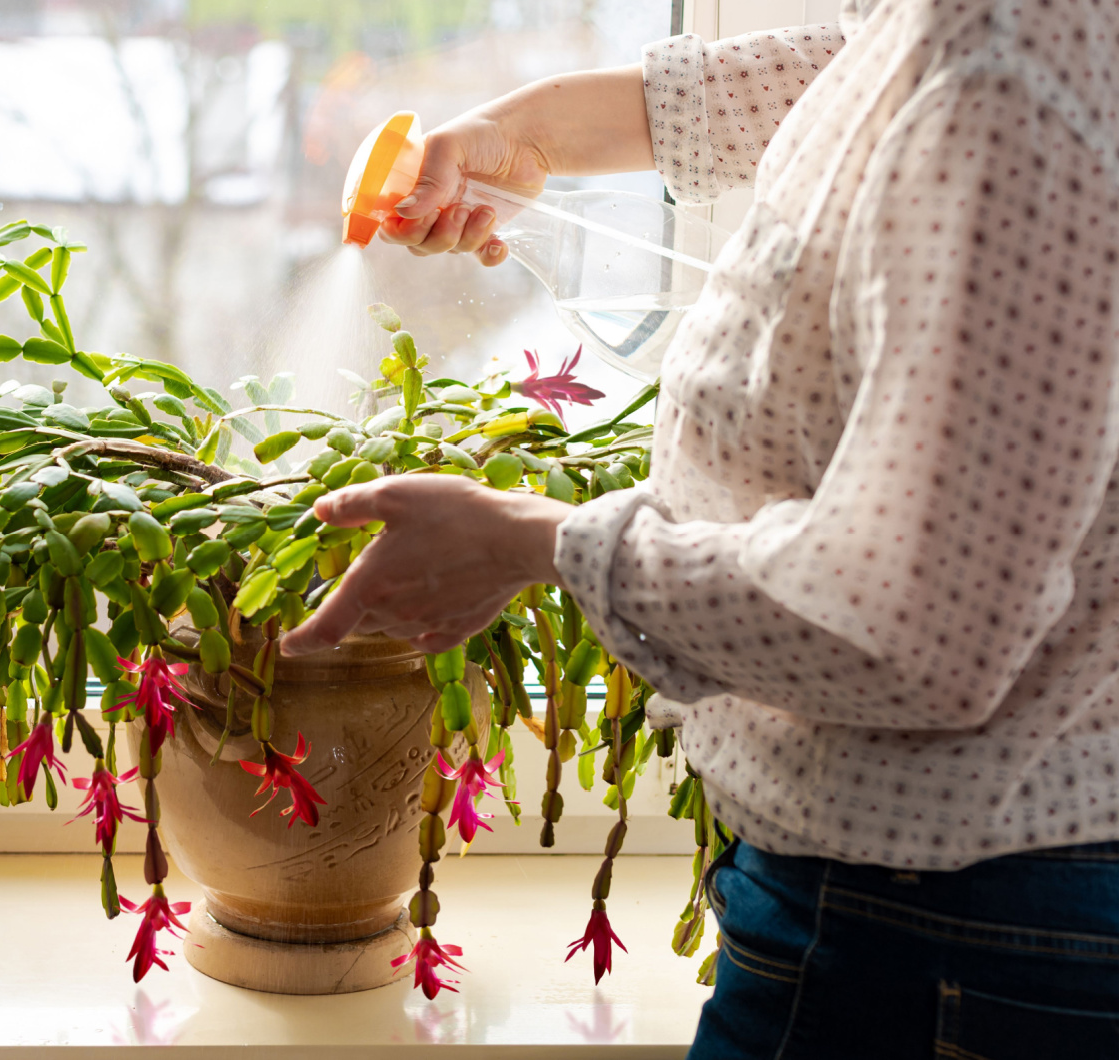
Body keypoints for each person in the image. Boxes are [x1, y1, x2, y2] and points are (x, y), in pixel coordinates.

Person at [281, 1, 1119, 1056]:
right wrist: (528, 134)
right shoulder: (977, 44)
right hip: (932, 907)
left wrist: (536, 541)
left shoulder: (1008, 84)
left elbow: (913, 628)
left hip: (945, 933)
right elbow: (848, 80)